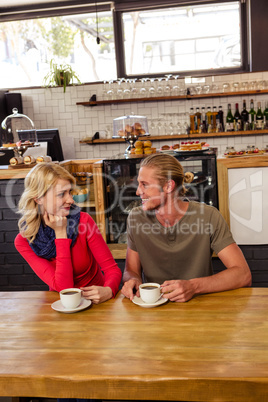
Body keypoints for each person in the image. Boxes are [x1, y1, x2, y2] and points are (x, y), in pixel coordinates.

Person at [121, 153, 252, 302]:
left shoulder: (208, 216)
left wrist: (193, 286)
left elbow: (243, 274)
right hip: (153, 309)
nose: (138, 191)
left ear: (168, 186)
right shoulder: (136, 218)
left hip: (201, 307)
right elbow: (131, 270)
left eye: (144, 184)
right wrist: (132, 280)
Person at [15, 162, 122, 304]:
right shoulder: (25, 240)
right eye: (61, 194)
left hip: (98, 303)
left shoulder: (84, 221)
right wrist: (61, 234)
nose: (71, 200)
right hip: (63, 305)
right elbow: (64, 288)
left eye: (70, 192)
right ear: (38, 198)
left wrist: (109, 290)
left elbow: (112, 270)